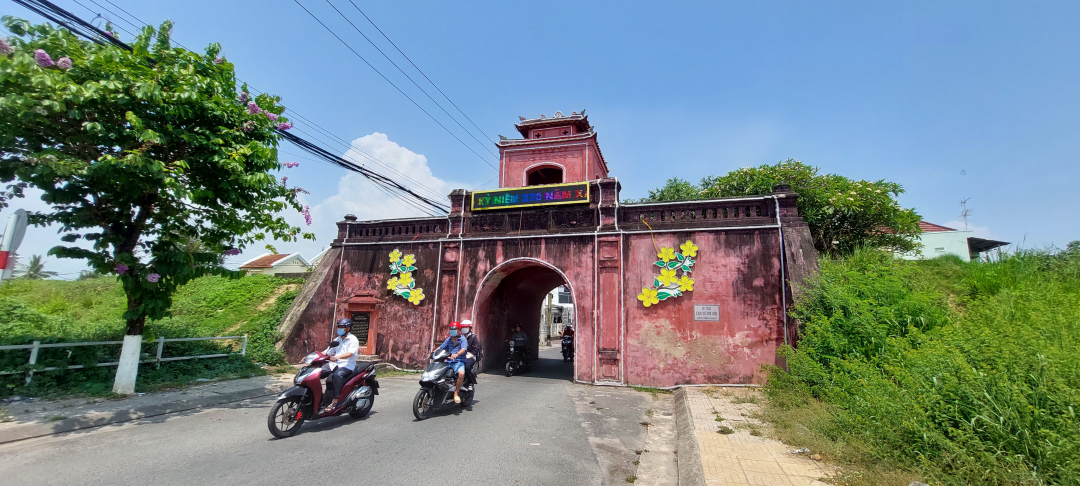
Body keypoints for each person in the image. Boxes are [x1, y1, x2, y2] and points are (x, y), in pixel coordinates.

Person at [321, 318, 360, 412]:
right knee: (317, 372)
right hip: (333, 364)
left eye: (342, 327)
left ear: (348, 329)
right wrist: (313, 356)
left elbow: (350, 354)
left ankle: (335, 401)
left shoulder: (353, 340)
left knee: (337, 376)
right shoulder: (337, 339)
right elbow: (327, 352)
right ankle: (319, 398)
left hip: (347, 365)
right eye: (339, 327)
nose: (340, 329)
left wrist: (337, 357)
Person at [432, 322, 468, 403]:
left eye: (454, 330)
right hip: (448, 361)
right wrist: (433, 353)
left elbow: (463, 349)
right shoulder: (448, 340)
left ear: (459, 330)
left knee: (461, 374)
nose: (452, 331)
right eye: (451, 330)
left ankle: (455, 393)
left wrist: (457, 354)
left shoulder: (462, 339)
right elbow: (441, 348)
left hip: (459, 361)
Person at [461, 320, 483, 389]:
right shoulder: (459, 337)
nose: (464, 329)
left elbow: (475, 350)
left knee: (466, 367)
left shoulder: (473, 338)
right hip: (460, 355)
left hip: (470, 356)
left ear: (470, 328)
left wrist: (467, 356)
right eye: (463, 327)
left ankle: (470, 382)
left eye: (466, 327)